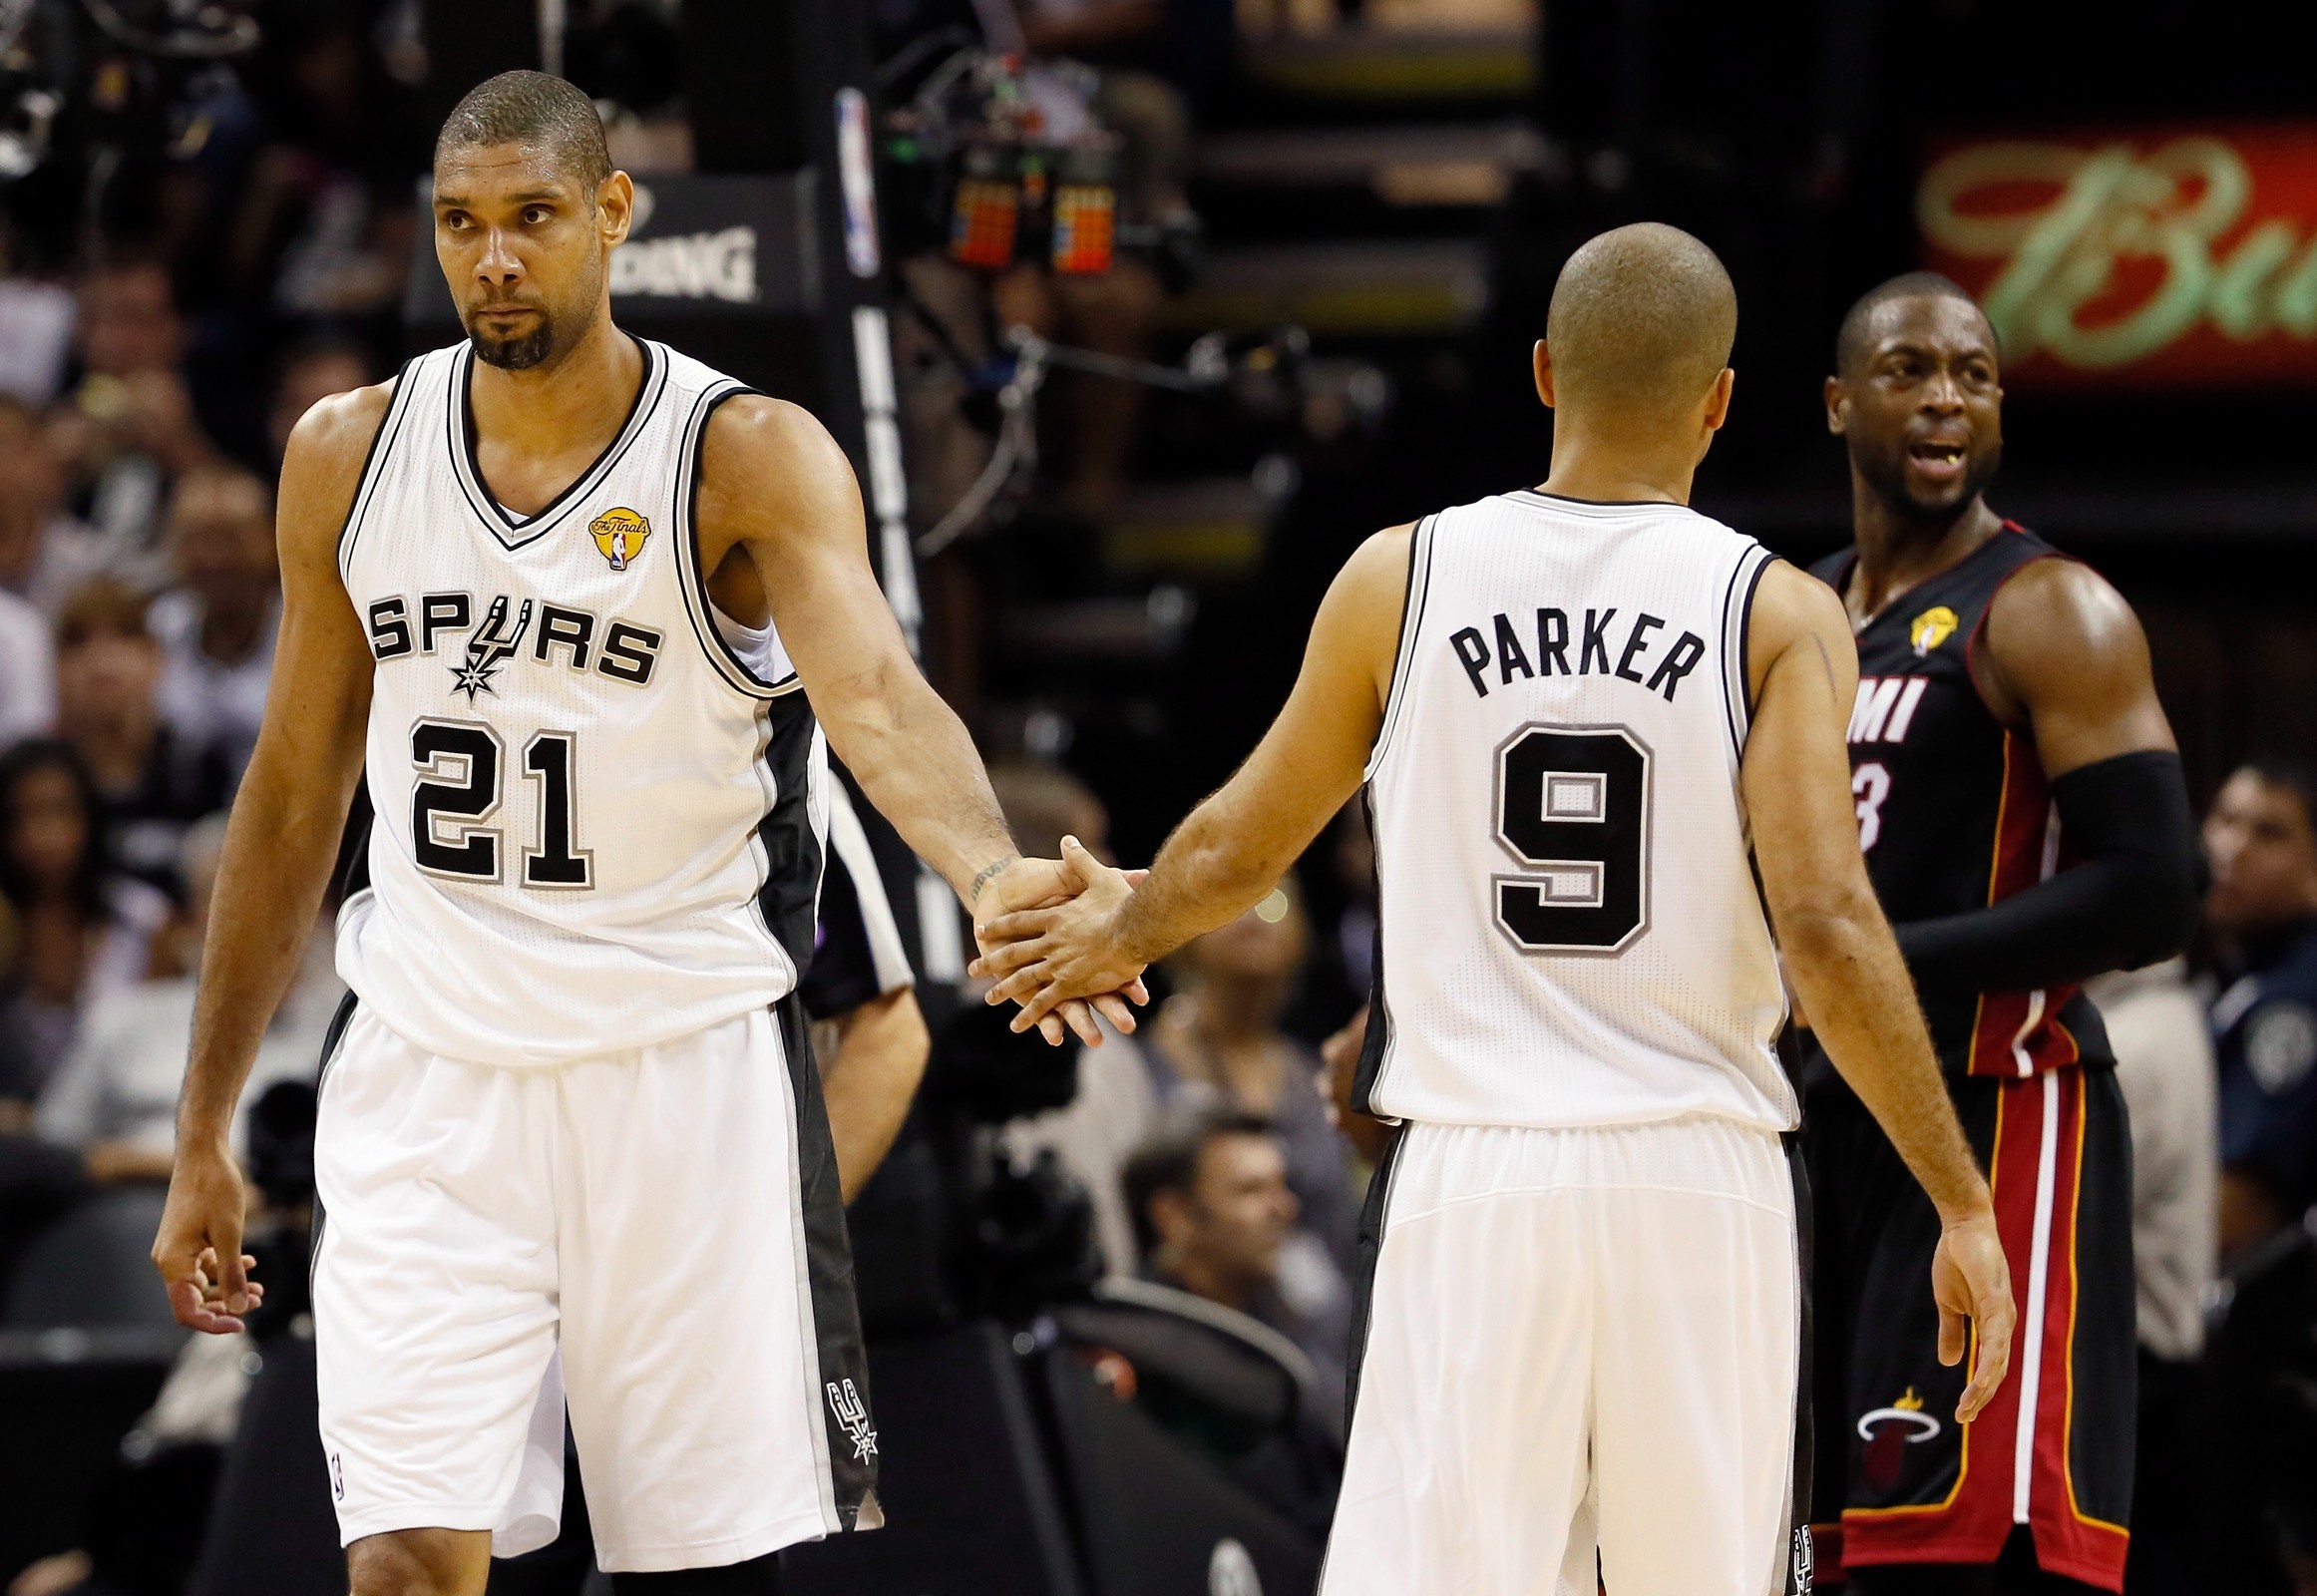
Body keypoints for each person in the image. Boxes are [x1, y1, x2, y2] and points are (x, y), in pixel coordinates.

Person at [148, 70, 1136, 1596]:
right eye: (461, 224)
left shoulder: (744, 455)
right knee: (401, 1562)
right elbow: (290, 797)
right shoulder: (345, 452)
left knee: (695, 1582)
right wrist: (203, 1123)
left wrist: (993, 874)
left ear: (613, 213)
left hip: (676, 1083)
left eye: (532, 218)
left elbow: (878, 699)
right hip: (431, 1074)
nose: (493, 259)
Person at [976, 222, 2016, 1596]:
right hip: (1694, 1179)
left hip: (1473, 1178)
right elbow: (1825, 927)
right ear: (1717, 400)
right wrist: (1959, 1201)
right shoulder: (1776, 611)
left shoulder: (1396, 578)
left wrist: (1114, 931)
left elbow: (1234, 849)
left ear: (1541, 373)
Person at [1800, 272, 2199, 1595]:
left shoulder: (2044, 609)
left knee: (1959, 1552)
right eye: (1909, 369)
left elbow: (2153, 887)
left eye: (1971, 376)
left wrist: (1875, 967)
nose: (1944, 400)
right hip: (1823, 1128)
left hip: (1996, 1123)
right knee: (1824, 1555)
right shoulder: (1802, 618)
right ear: (1837, 403)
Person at [35, 814, 342, 1183]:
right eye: (236, 898)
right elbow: (53, 1150)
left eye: (284, 896)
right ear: (192, 919)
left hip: (298, 1207)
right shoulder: (123, 1021)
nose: (264, 919)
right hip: (141, 1201)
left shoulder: (343, 1027)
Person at [2198, 760, 2317, 1596]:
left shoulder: (2293, 1001)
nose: (2231, 847)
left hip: (2272, 1360)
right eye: (2225, 819)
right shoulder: (2239, 978)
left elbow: (2227, 1221)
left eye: (2267, 831)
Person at [1142, 884, 1359, 1281]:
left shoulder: (1314, 1073)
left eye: (1274, 901)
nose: (1253, 918)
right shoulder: (1139, 1067)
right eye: (1229, 902)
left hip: (1324, 1304)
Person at [2080, 953, 2213, 1596]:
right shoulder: (2167, 1014)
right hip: (2153, 1368)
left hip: (2136, 1372)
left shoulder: (2132, 1040)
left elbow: (2073, 1210)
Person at [1122, 1105, 1350, 1396]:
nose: (1286, 1208)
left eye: (1281, 1185)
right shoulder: (1135, 1357)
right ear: (1174, 1215)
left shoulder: (1284, 1319)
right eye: (1251, 1190)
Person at [0, 740, 173, 1106]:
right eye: (20, 817)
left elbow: (159, 1045)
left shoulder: (143, 920)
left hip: (118, 1115)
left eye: (57, 812)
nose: (42, 835)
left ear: (91, 818)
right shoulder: (5, 921)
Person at [51, 579, 235, 896]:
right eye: (78, 640)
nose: (101, 658)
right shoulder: (36, 780)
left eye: (126, 634)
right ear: (56, 667)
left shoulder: (201, 768)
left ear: (156, 657)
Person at [151, 464, 281, 774]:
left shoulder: (309, 633)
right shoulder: (158, 627)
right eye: (195, 539)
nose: (213, 558)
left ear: (272, 538)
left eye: (230, 539)